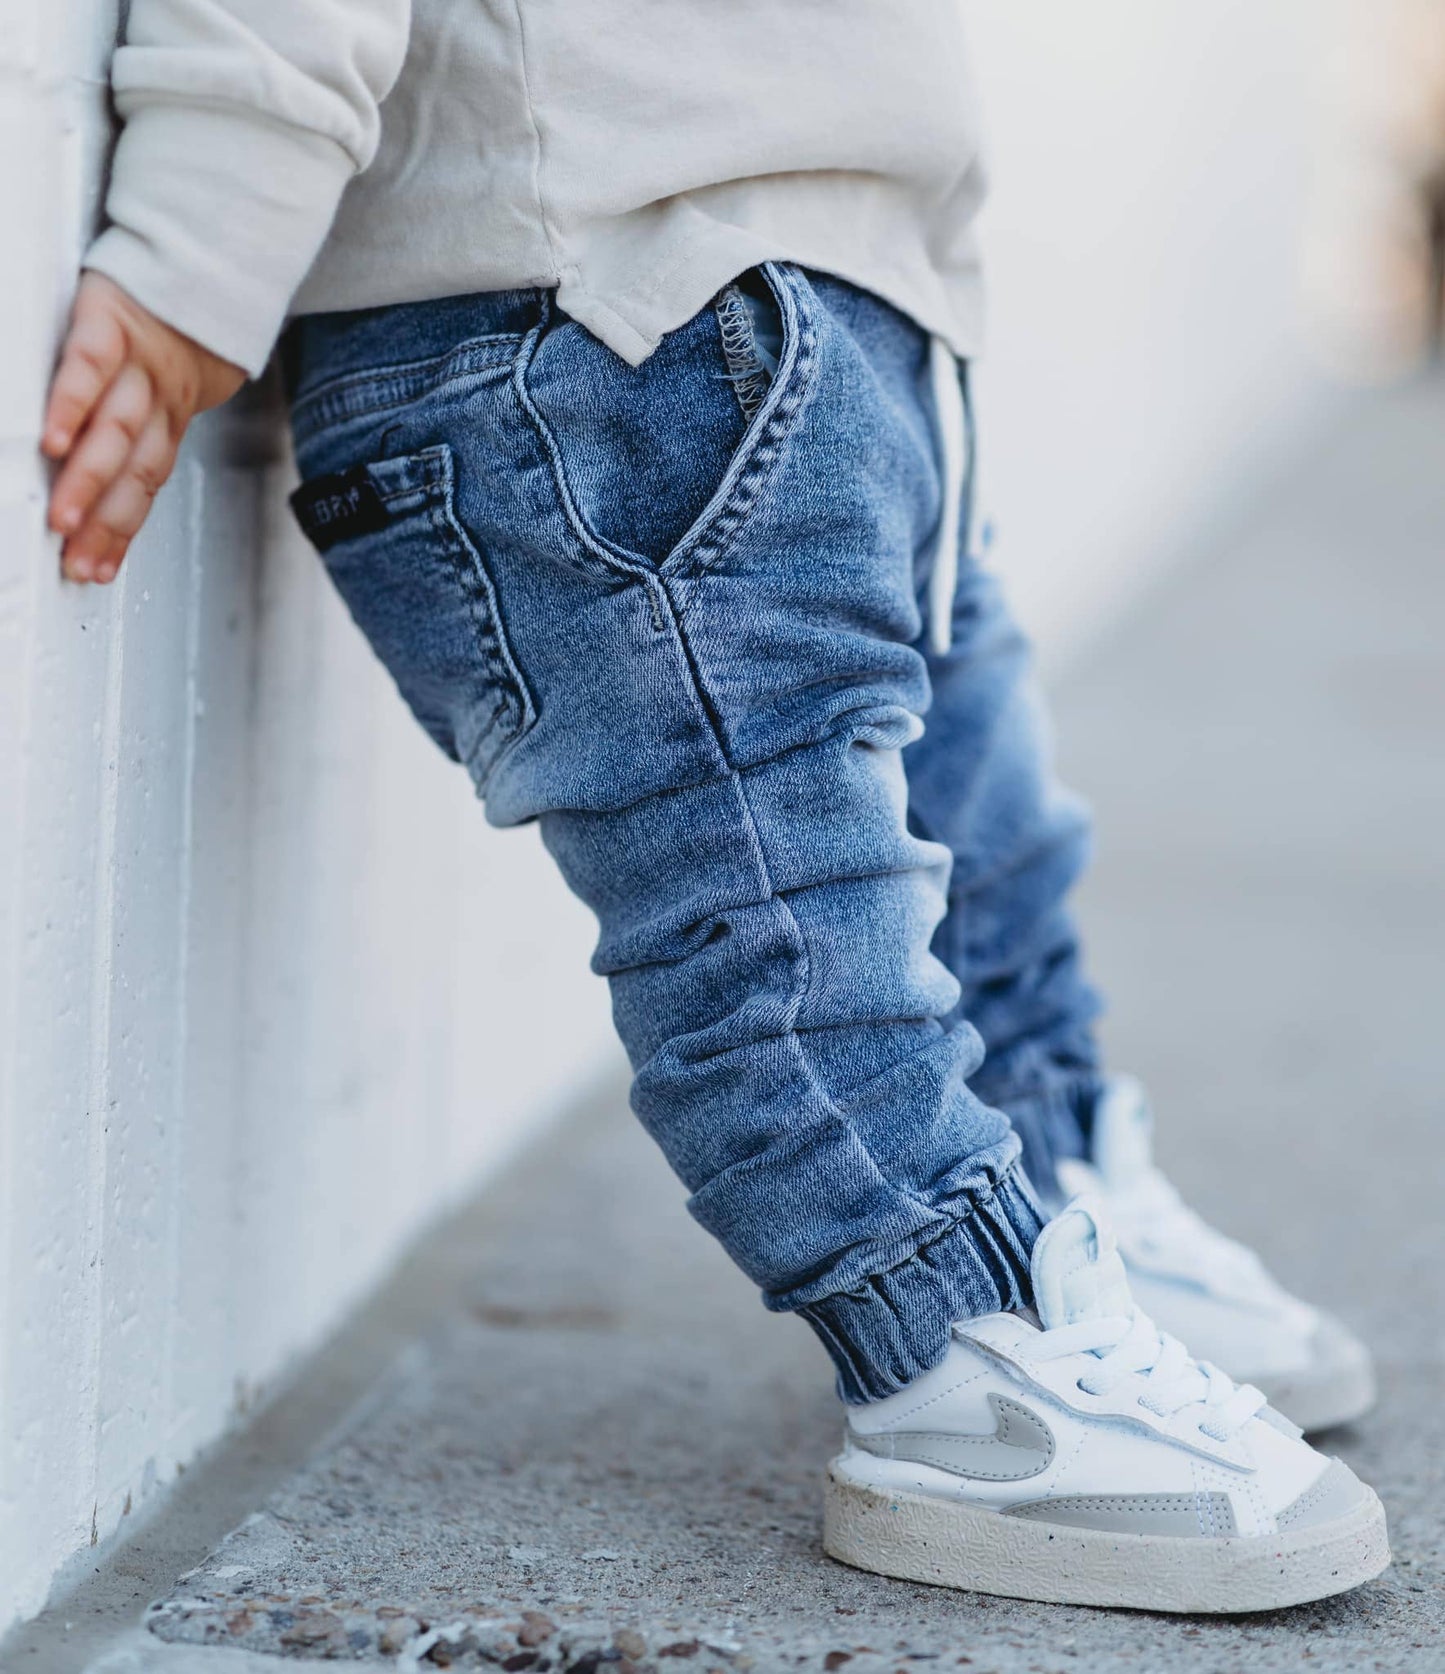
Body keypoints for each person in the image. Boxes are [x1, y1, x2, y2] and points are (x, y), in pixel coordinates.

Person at [42, 0, 1388, 1613]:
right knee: (778, 903)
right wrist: (207, 223)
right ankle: (959, 1353)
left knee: (982, 847)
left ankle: (1049, 1204)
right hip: (603, 290)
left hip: (831, 257)